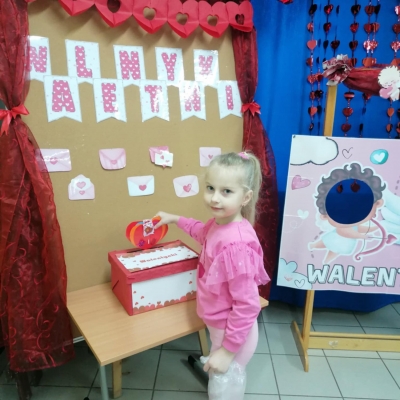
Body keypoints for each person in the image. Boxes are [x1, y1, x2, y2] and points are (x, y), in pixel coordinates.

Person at [154, 151, 270, 399]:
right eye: (210, 188)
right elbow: (201, 232)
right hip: (219, 321)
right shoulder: (219, 224)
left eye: (226, 191)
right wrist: (174, 219)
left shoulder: (236, 245)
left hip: (231, 331)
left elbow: (248, 304)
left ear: (245, 197)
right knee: (220, 376)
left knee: (225, 384)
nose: (214, 198)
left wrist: (227, 352)